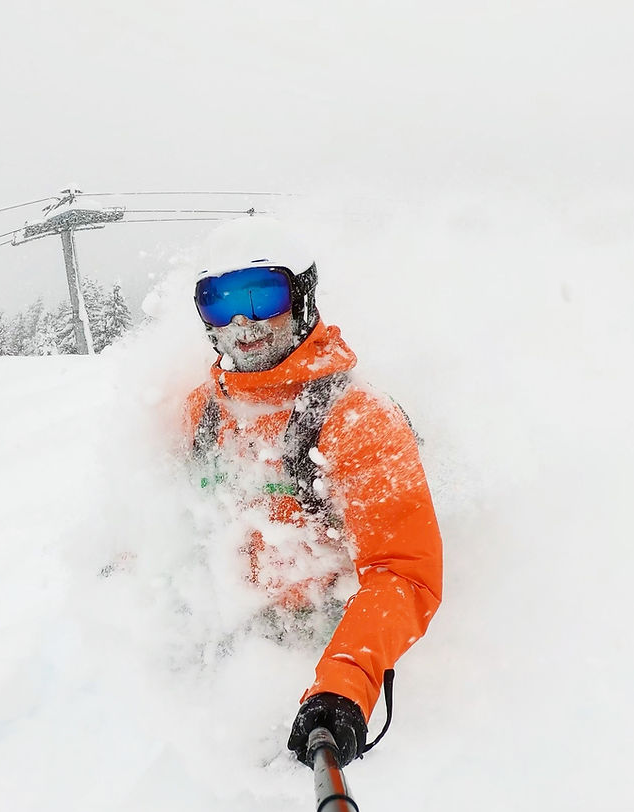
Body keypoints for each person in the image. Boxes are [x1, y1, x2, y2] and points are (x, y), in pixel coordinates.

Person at [183, 218, 442, 768]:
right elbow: (171, 515)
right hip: (232, 658)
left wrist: (345, 686)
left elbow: (402, 573)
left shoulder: (359, 418)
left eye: (262, 296)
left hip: (333, 661)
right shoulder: (201, 413)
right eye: (218, 302)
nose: (241, 323)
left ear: (301, 296)